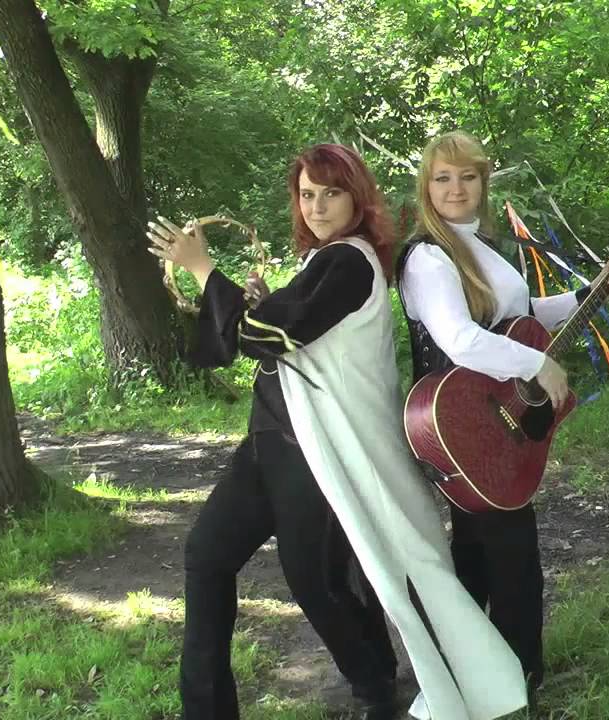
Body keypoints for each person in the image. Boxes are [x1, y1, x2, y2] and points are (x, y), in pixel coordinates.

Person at [148, 143, 527, 720]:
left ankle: (376, 688)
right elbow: (272, 333)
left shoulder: (351, 261)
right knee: (207, 556)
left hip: (317, 448)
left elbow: (265, 337)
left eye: (331, 193)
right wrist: (261, 303)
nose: (317, 206)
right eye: (307, 195)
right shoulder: (322, 261)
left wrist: (203, 269)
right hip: (269, 440)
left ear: (358, 199)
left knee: (318, 583)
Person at [395, 130, 609, 710]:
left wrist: (592, 293)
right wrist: (537, 363)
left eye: (467, 177)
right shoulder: (429, 256)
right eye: (443, 178)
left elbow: (521, 316)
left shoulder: (478, 248)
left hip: (490, 422)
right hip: (466, 426)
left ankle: (476, 678)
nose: (455, 189)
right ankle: (516, 682)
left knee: (480, 556)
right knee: (512, 560)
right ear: (426, 187)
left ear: (483, 183)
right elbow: (458, 339)